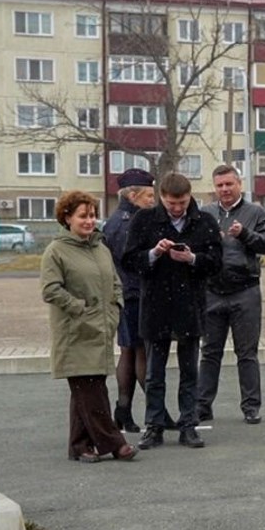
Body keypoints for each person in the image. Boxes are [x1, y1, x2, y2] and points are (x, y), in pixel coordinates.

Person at [123, 173, 222, 450]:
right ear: (161, 198)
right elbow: (129, 260)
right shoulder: (144, 220)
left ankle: (188, 425)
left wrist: (192, 259)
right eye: (171, 203)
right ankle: (154, 426)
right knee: (155, 371)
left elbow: (216, 262)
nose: (177, 208)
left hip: (190, 304)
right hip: (156, 304)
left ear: (190, 196)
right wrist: (154, 253)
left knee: (190, 370)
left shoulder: (204, 222)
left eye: (181, 202)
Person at [41, 190, 138, 463]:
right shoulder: (56, 251)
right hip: (75, 333)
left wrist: (115, 306)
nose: (89, 221)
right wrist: (79, 308)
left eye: (92, 215)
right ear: (67, 217)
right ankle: (115, 443)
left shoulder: (100, 248)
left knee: (86, 390)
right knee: (92, 391)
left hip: (101, 329)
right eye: (83, 216)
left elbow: (115, 282)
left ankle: (79, 445)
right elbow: (50, 290)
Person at [196, 165, 265, 425]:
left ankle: (251, 406)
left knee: (247, 352)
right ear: (214, 187)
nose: (225, 190)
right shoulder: (205, 213)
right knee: (209, 351)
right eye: (220, 185)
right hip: (212, 291)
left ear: (239, 184)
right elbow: (191, 244)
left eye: (229, 184)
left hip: (245, 291)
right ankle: (202, 405)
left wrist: (245, 234)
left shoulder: (256, 212)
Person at [101, 167, 155, 433]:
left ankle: (124, 411)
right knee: (139, 351)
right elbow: (132, 261)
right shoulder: (127, 223)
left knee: (130, 351)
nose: (151, 202)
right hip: (134, 294)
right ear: (133, 195)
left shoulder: (120, 219)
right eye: (148, 196)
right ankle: (155, 409)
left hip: (128, 293)